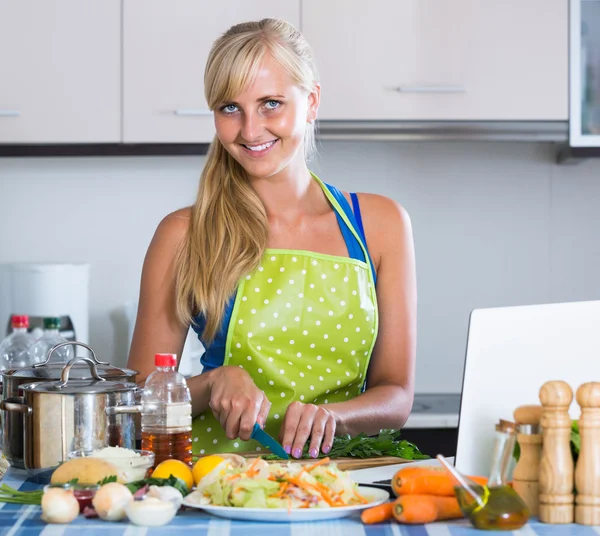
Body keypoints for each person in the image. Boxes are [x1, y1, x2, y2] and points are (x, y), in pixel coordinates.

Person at [127, 18, 416, 459]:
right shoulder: (184, 234)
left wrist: (336, 416)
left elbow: (395, 394)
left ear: (312, 101)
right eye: (230, 108)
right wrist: (211, 383)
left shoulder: (380, 224)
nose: (249, 130)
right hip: (216, 483)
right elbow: (139, 402)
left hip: (344, 483)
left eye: (271, 103)